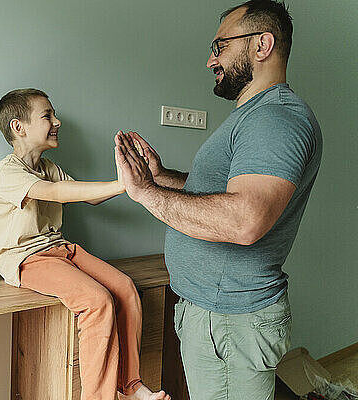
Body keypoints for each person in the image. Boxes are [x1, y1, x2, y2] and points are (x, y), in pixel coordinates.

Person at [114, 1, 322, 399]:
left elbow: (244, 220)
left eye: (220, 46)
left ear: (261, 45)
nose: (211, 60)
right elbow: (225, 195)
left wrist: (145, 192)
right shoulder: (254, 116)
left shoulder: (276, 120)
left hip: (229, 320)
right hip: (215, 314)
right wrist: (162, 179)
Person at [0, 88, 171, 400]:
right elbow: (55, 193)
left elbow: (91, 197)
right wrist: (121, 184)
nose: (57, 121)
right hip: (25, 259)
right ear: (19, 127)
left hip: (58, 249)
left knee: (125, 288)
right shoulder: (8, 171)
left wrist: (129, 181)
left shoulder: (49, 167)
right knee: (97, 301)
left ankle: (130, 386)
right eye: (47, 116)